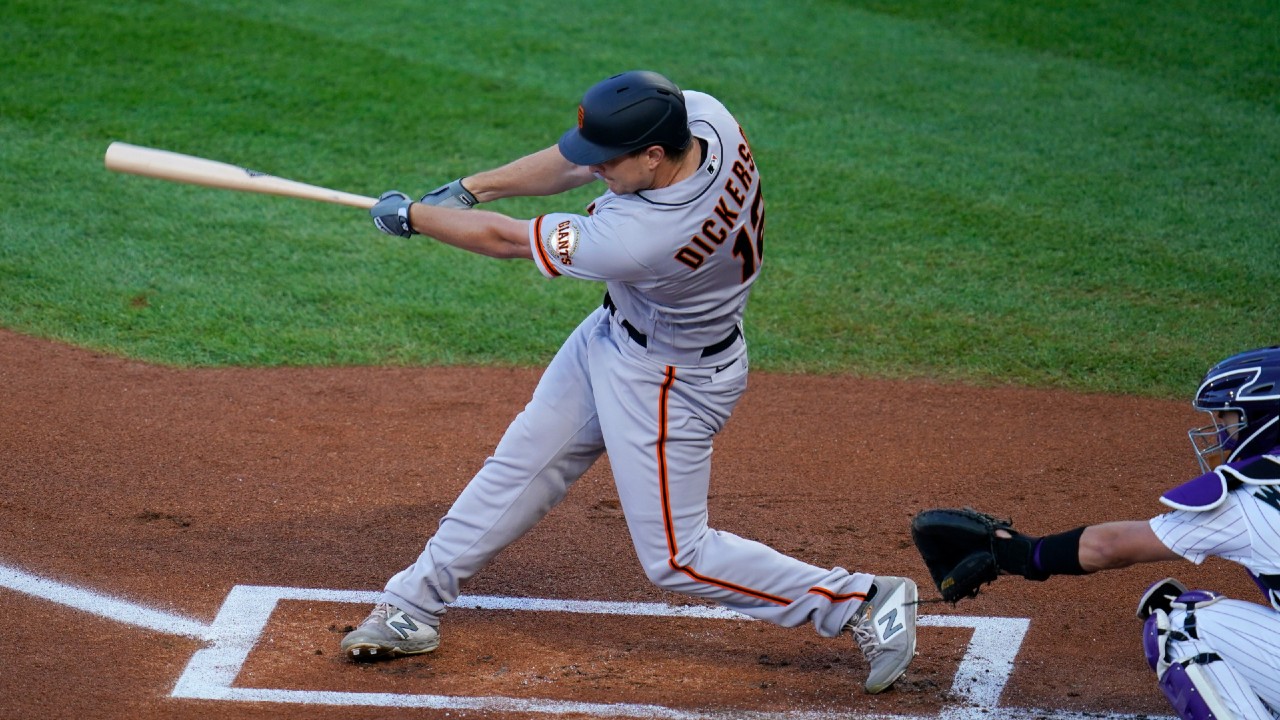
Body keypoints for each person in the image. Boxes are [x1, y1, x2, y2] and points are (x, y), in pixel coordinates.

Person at [339, 70, 918, 694]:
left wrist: (417, 219)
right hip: (615, 336)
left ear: (653, 155)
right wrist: (468, 189)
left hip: (671, 380)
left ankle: (862, 601)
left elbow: (510, 242)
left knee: (677, 557)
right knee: (522, 465)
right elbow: (574, 162)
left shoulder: (645, 237)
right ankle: (413, 606)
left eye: (610, 161)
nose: (597, 169)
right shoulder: (703, 118)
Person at [935, 346, 1280, 718]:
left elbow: (1112, 547)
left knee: (1182, 624)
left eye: (1229, 417)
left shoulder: (1248, 502)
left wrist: (1022, 554)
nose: (1220, 432)